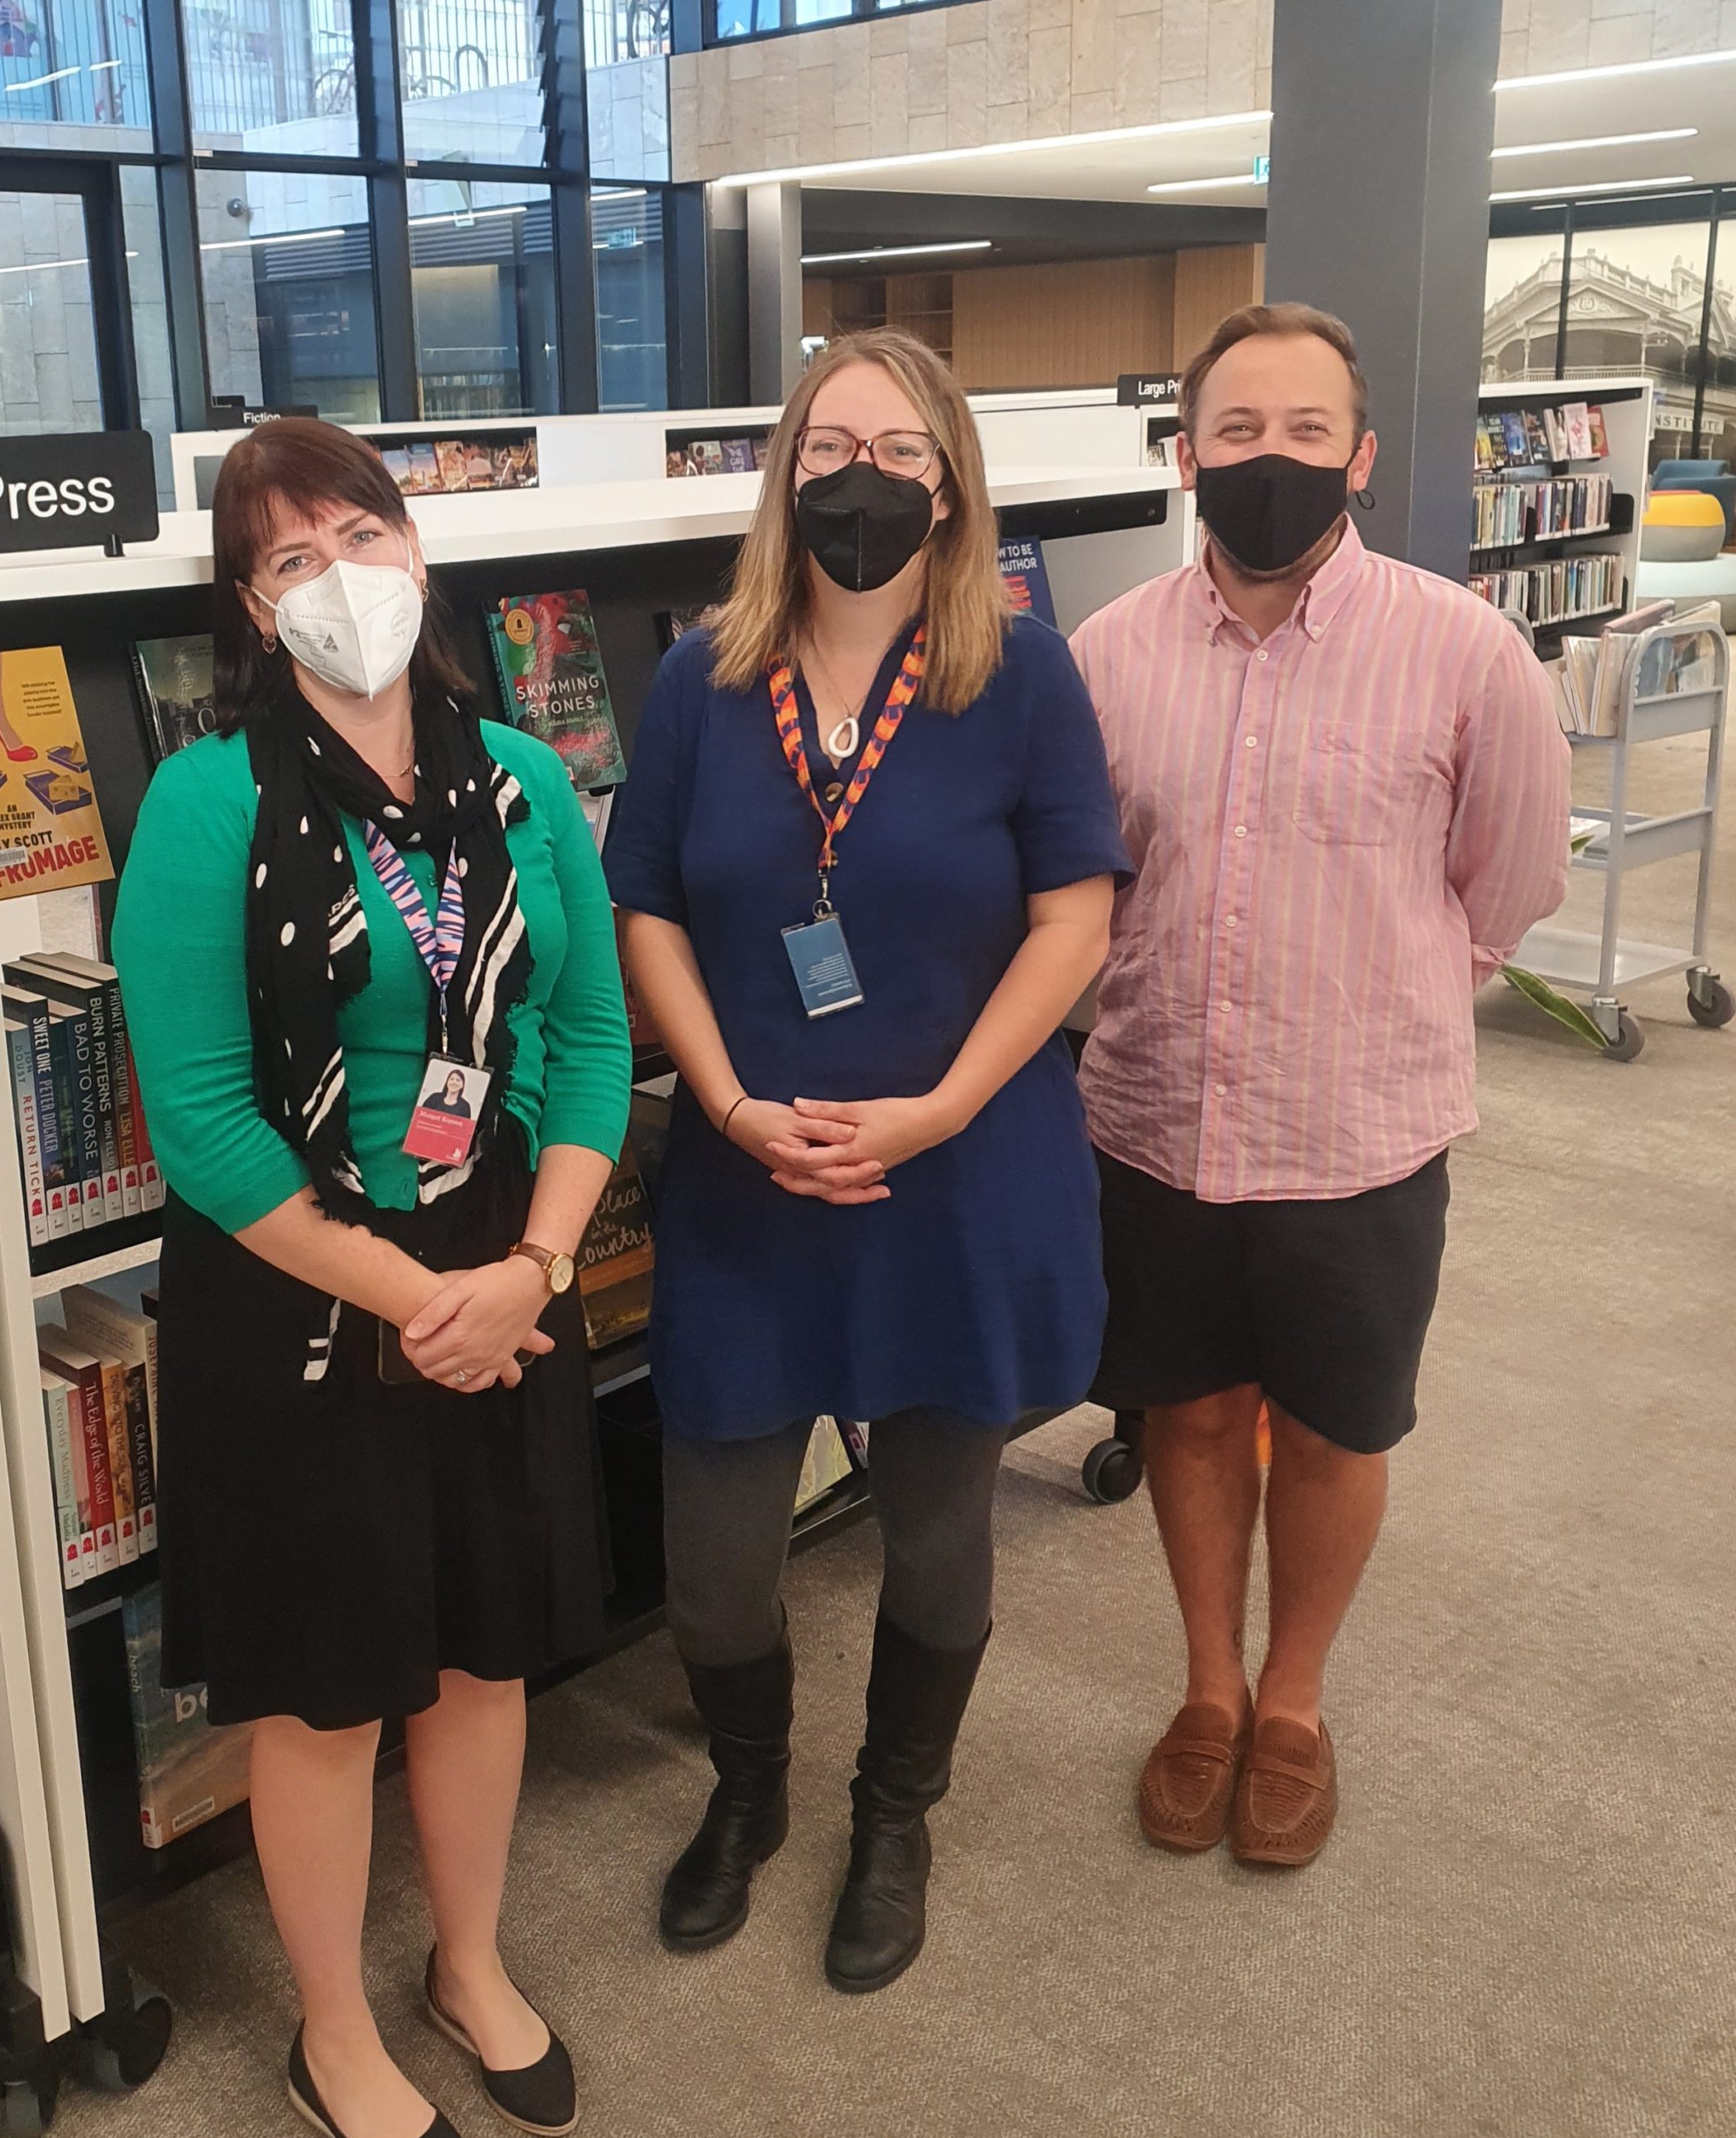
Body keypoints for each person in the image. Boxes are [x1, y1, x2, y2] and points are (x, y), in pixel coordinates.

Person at [113, 419, 632, 2138]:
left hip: (502, 1263)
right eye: (286, 557)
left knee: (483, 1651)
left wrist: (533, 1267)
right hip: (305, 1288)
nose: (339, 575)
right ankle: (331, 2023)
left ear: (420, 550)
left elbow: (585, 1034)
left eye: (361, 530)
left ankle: (465, 1959)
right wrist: (420, 1292)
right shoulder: (205, 799)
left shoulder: (520, 776)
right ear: (250, 611)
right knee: (325, 1690)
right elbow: (196, 1119)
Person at [604, 328, 1129, 1994]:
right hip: (747, 1181)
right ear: (780, 475)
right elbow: (647, 909)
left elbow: (1074, 914)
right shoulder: (699, 679)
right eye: (829, 444)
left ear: (951, 482)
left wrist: (942, 1104)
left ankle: (891, 1810)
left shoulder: (1020, 675)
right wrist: (729, 1098)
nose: (862, 477)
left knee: (936, 1535)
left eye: (901, 450)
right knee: (709, 1558)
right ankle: (746, 1791)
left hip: (948, 1178)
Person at [1068, 303, 1571, 1869]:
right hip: (1156, 1116)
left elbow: (1506, 889)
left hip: (1359, 1132)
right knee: (1195, 1418)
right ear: (1187, 454)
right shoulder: (1106, 655)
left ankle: (1293, 1703)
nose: (1267, 460)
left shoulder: (1467, 651)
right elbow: (1087, 888)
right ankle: (1208, 1689)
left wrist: (1377, 993)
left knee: (1341, 1432)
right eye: (1236, 433)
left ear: (1358, 454)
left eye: (1301, 433)